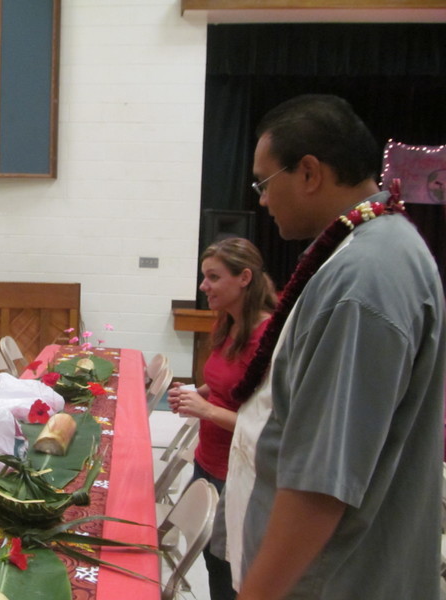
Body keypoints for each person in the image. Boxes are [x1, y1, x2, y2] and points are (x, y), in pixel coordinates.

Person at [222, 94, 446, 599]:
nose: (260, 199)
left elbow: (321, 484)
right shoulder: (374, 249)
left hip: (335, 580)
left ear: (308, 172)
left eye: (263, 183)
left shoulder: (361, 279)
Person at [167, 237, 276, 600]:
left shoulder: (268, 338)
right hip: (208, 461)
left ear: (244, 277)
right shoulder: (227, 324)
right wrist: (198, 393)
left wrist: (208, 411)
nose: (203, 286)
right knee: (214, 562)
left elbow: (268, 426)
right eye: (204, 277)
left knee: (229, 569)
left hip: (238, 472)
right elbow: (225, 381)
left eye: (213, 277)